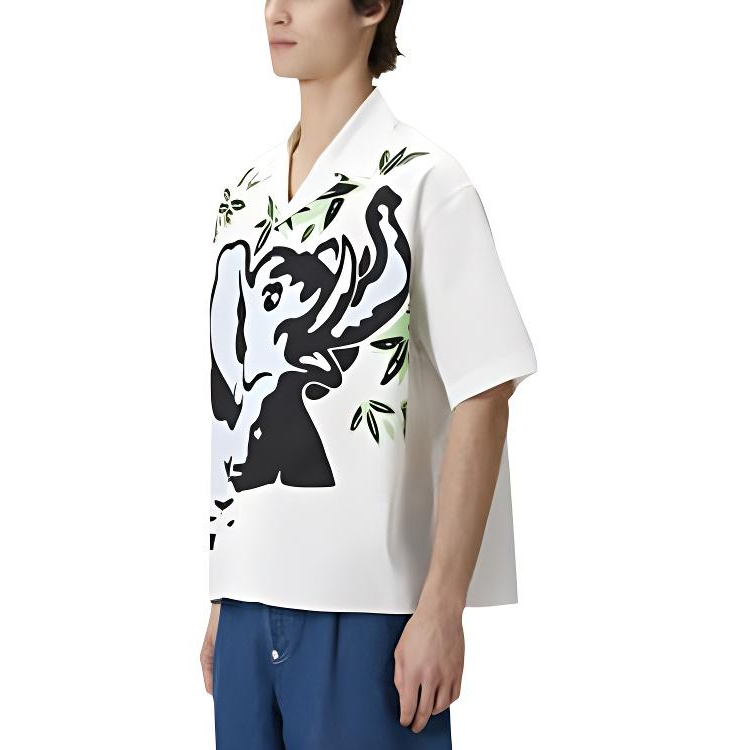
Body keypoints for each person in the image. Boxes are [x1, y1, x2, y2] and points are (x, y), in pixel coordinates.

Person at [200, 1, 537, 748]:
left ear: (372, 7)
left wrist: (442, 606)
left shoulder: (424, 182)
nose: (277, 10)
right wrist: (227, 592)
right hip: (248, 607)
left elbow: (486, 392)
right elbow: (234, 398)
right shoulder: (244, 194)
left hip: (369, 611)